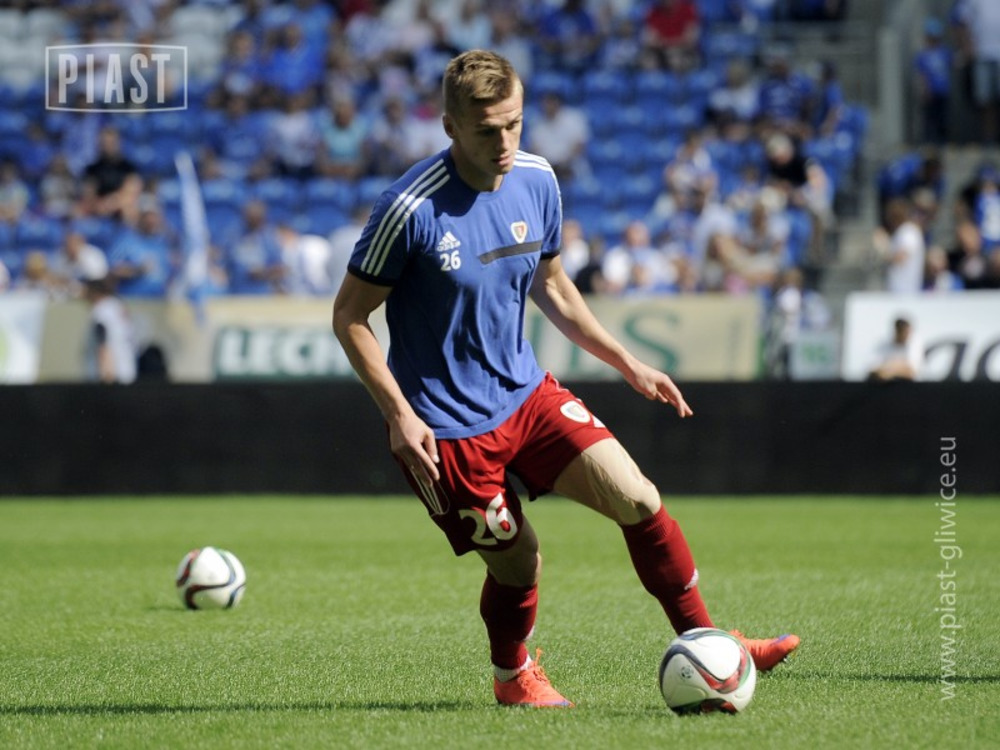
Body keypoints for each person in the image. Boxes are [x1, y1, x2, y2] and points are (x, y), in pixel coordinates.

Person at [332, 50, 799, 709]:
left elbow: (552, 286)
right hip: (447, 428)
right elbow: (349, 316)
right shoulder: (409, 209)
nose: (504, 142)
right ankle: (512, 677)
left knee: (638, 497)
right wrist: (399, 414)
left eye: (514, 124)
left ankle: (711, 643)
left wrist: (626, 361)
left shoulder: (536, 179)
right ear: (450, 127)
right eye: (486, 130)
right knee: (521, 560)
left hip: (526, 394)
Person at [83, 276, 138, 385]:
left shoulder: (102, 308)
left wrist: (106, 369)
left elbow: (103, 340)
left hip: (111, 369)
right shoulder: (117, 305)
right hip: (126, 364)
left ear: (95, 292)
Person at [868, 317, 923, 382]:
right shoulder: (883, 344)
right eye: (902, 331)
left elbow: (912, 371)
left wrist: (888, 370)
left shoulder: (915, 344)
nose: (906, 335)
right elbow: (872, 369)